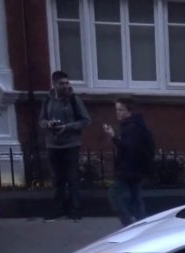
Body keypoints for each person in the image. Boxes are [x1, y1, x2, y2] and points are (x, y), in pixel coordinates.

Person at [39, 70, 91, 222]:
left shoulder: (74, 99)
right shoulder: (47, 100)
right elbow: (41, 119)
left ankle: (75, 210)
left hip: (71, 144)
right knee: (57, 179)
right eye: (62, 83)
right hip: (53, 145)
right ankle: (58, 210)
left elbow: (86, 120)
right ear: (54, 84)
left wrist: (67, 127)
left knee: (73, 178)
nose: (66, 86)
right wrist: (48, 124)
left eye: (67, 83)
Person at [103, 98, 156, 227]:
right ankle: (142, 225)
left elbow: (129, 148)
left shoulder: (132, 128)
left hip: (130, 169)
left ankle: (128, 225)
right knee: (135, 198)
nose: (118, 113)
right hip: (138, 169)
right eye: (117, 110)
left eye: (121, 110)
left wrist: (113, 137)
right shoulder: (136, 125)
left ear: (129, 111)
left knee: (114, 194)